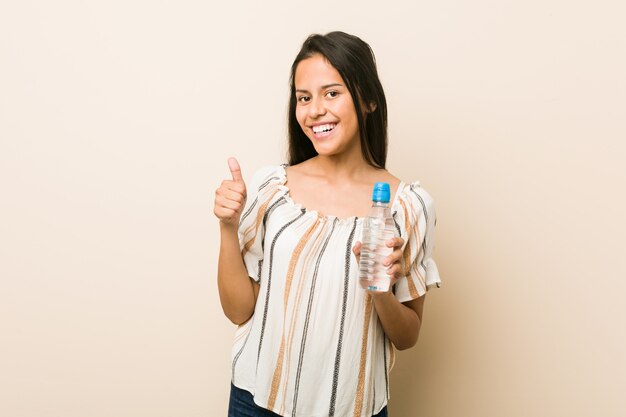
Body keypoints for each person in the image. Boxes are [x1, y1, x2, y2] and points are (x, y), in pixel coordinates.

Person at [213, 31, 440, 417]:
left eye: (331, 93)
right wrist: (228, 228)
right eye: (304, 98)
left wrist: (381, 290)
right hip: (255, 402)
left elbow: (407, 336)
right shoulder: (272, 188)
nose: (314, 110)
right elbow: (239, 312)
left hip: (351, 407)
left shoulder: (408, 207)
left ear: (368, 100)